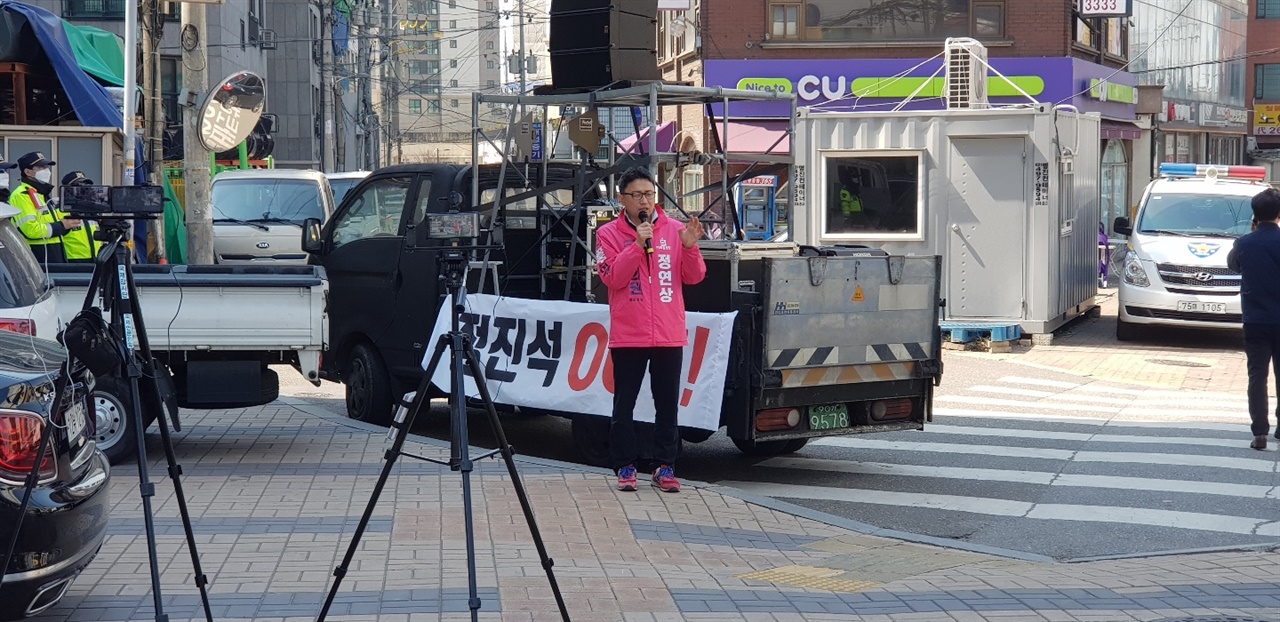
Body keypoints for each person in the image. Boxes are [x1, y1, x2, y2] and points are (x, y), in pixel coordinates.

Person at [595, 167, 706, 493]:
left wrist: (689, 247)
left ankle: (665, 465)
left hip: (669, 332)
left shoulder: (673, 230)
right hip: (629, 333)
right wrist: (636, 244)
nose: (644, 200)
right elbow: (612, 278)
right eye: (637, 195)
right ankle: (625, 465)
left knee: (667, 402)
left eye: (649, 194)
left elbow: (695, 276)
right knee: (624, 402)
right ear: (622, 199)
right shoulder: (607, 235)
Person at [1226, 187, 1280, 450]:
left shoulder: (1245, 243)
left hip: (1255, 318)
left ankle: (1260, 431)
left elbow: (1233, 265)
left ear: (1254, 216)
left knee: (1257, 375)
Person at [9, 152, 81, 264]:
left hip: (52, 254)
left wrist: (68, 221)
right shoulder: (22, 194)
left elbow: (48, 220)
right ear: (28, 172)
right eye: (41, 167)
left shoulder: (41, 193)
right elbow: (31, 230)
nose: (46, 170)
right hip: (39, 256)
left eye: (46, 166)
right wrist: (62, 226)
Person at [58, 171, 102, 263]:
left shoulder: (92, 211)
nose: (84, 188)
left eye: (86, 185)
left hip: (96, 260)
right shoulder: (60, 211)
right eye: (79, 185)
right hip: (72, 262)